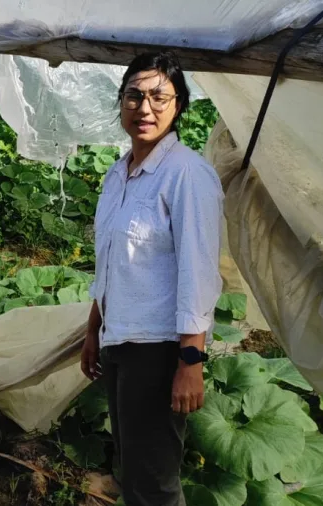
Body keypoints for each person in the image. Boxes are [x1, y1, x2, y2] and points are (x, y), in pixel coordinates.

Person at [80, 51, 223, 506]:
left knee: (156, 482)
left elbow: (198, 273)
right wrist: (92, 328)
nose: (145, 109)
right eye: (134, 96)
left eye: (159, 97)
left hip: (160, 349)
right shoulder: (117, 174)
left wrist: (190, 361)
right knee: (133, 469)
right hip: (120, 338)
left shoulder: (187, 175)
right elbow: (111, 261)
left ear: (178, 105)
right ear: (121, 102)